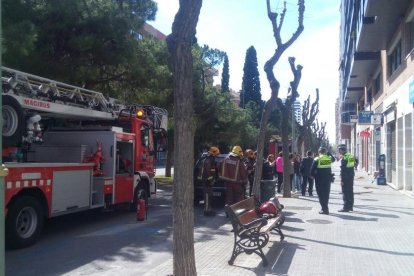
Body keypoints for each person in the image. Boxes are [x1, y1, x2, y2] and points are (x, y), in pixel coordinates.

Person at [311, 147, 335, 215]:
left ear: (319, 152)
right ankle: (324, 208)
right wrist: (328, 153)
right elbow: (333, 159)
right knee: (326, 194)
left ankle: (325, 209)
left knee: (321, 195)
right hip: (328, 179)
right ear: (325, 152)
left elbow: (312, 170)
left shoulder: (317, 159)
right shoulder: (329, 158)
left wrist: (312, 176)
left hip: (319, 179)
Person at [199, 146, 220, 216]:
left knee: (209, 195)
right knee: (207, 196)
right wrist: (211, 180)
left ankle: (209, 209)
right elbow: (208, 172)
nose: (217, 155)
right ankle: (207, 211)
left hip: (208, 181)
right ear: (213, 153)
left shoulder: (211, 159)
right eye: (216, 154)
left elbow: (213, 170)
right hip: (207, 181)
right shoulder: (208, 160)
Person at [338, 144, 355, 212]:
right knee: (350, 191)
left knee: (345, 192)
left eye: (339, 150)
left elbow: (343, 170)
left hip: (346, 177)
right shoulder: (350, 155)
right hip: (351, 176)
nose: (339, 151)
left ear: (342, 150)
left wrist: (342, 180)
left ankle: (345, 207)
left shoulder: (344, 157)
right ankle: (350, 206)